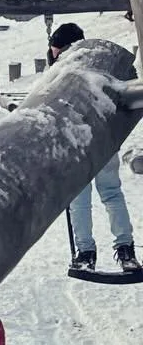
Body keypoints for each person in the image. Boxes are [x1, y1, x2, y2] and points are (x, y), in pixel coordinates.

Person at [49, 23, 140, 272]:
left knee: (79, 200)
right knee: (111, 193)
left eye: (55, 46)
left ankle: (86, 252)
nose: (53, 50)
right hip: (105, 139)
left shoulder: (64, 69)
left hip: (77, 140)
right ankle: (125, 250)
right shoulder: (100, 63)